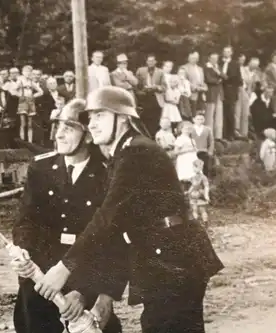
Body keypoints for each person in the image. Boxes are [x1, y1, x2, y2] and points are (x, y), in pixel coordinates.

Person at [34, 86, 224, 333]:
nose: (92, 124)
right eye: (90, 118)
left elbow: (108, 217)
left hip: (172, 257)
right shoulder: (124, 153)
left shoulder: (137, 152)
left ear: (123, 117)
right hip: (166, 255)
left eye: (100, 115)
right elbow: (115, 225)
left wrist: (64, 267)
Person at [10, 98, 123, 333]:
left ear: (89, 135)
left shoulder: (107, 175)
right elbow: (26, 221)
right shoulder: (41, 168)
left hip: (87, 276)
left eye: (68, 128)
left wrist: (88, 292)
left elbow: (114, 241)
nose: (58, 135)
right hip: (40, 276)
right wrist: (22, 251)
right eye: (58, 127)